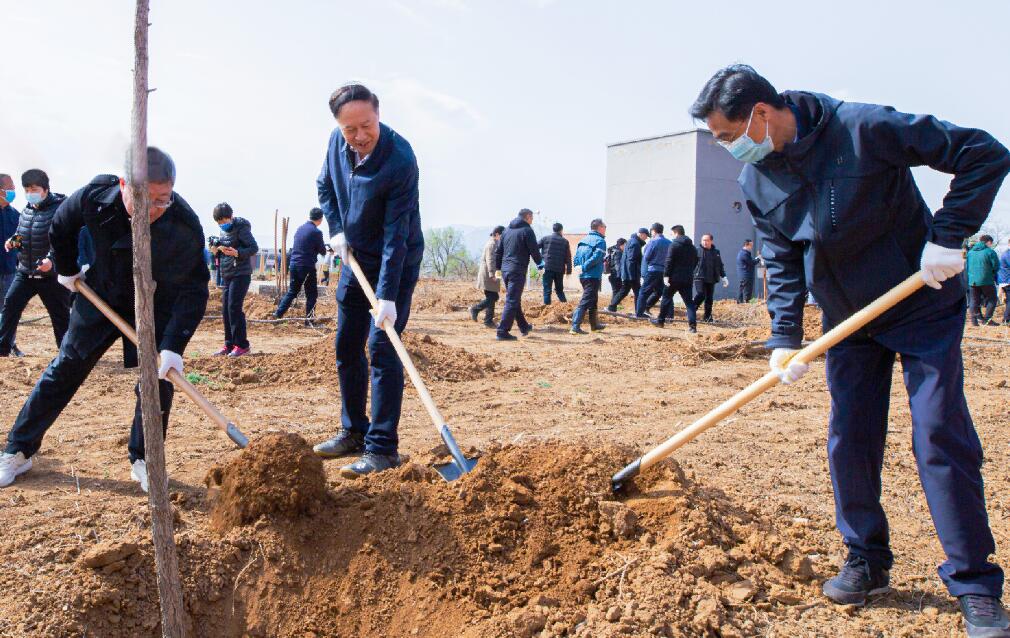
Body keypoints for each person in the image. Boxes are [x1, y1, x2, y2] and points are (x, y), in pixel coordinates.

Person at [692, 64, 1010, 636]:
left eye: (725, 134)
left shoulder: (864, 129)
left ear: (760, 115)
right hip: (849, 321)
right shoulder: (757, 180)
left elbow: (984, 153)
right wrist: (785, 337)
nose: (727, 148)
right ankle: (866, 559)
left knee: (939, 432)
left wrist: (947, 234)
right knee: (850, 438)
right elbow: (782, 260)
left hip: (920, 304)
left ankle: (974, 582)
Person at [0, 148, 209, 493]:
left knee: (157, 380)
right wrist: (67, 269)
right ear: (125, 184)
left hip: (155, 304)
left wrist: (174, 346)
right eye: (145, 199)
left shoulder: (183, 223)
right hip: (102, 294)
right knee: (66, 367)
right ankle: (19, 449)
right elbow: (62, 226)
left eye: (163, 199)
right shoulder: (97, 196)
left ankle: (145, 459)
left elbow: (194, 289)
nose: (154, 210)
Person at [313, 83, 424, 477]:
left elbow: (398, 231)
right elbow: (325, 185)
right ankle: (353, 431)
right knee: (346, 344)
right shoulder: (334, 144)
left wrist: (388, 297)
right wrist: (337, 229)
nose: (359, 136)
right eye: (350, 129)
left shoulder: (400, 159)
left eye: (367, 125)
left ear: (378, 115)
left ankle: (382, 448)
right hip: (353, 257)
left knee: (382, 346)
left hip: (395, 261)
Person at [0, 170, 71, 356]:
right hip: (25, 273)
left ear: (45, 189)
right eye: (27, 189)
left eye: (34, 188)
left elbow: (64, 241)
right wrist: (12, 242)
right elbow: (21, 234)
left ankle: (67, 352)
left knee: (60, 316)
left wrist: (51, 261)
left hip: (50, 276)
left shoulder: (59, 209)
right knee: (10, 307)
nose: (30, 192)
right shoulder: (27, 210)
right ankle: (3, 348)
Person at [210, 202, 258, 356]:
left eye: (224, 221)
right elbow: (221, 253)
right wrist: (216, 250)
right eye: (219, 223)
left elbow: (253, 247)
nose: (222, 225)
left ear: (231, 217)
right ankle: (229, 344)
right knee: (225, 310)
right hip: (227, 273)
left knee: (234, 307)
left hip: (241, 274)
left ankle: (242, 345)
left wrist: (237, 253)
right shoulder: (223, 233)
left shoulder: (241, 227)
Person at [494, 208, 541, 341]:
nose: (532, 221)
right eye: (532, 218)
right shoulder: (527, 230)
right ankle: (502, 331)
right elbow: (534, 249)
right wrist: (540, 264)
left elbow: (499, 251)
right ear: (527, 217)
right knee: (512, 300)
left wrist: (498, 268)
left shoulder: (506, 231)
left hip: (505, 270)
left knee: (514, 299)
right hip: (517, 270)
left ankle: (524, 326)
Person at [275, 207, 327, 323]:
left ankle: (278, 314)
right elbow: (322, 251)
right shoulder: (316, 232)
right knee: (312, 294)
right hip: (307, 265)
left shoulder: (300, 229)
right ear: (320, 219)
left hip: (294, 264)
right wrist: (326, 249)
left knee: (292, 291)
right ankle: (309, 320)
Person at [654, 225, 699, 331]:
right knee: (689, 303)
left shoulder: (674, 245)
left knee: (666, 298)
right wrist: (689, 271)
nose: (672, 236)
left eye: (672, 234)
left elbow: (669, 261)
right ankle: (692, 326)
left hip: (673, 278)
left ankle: (660, 321)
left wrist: (666, 275)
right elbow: (696, 261)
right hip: (687, 279)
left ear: (676, 233)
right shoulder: (692, 248)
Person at [569, 219, 607, 335]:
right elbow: (597, 257)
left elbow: (576, 257)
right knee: (586, 300)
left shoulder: (583, 240)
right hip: (593, 275)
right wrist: (584, 267)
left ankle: (594, 325)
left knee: (593, 299)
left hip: (583, 275)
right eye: (605, 227)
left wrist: (578, 267)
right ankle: (575, 326)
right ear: (600, 227)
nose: (605, 229)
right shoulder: (600, 241)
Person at [0, 174, 23, 357]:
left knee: (9, 310)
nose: (13, 191)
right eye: (10, 187)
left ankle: (9, 343)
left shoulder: (15, 215)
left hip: (9, 271)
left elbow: (19, 240)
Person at [470, 225, 504, 328]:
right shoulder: (491, 244)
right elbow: (490, 260)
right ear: (497, 234)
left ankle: (488, 321)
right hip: (488, 275)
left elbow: (498, 262)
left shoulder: (496, 243)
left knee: (492, 297)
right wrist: (492, 274)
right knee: (493, 297)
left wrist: (498, 276)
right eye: (503, 235)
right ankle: (475, 309)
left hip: (494, 274)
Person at [635, 223, 671, 318]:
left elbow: (646, 256)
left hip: (653, 270)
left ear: (653, 231)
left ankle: (639, 313)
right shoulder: (669, 243)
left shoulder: (653, 242)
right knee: (665, 293)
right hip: (664, 271)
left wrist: (644, 272)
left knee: (643, 292)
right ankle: (669, 315)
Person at [692, 234, 728, 322]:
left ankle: (707, 317)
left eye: (707, 240)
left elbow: (719, 265)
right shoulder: (697, 251)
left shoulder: (716, 252)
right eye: (703, 240)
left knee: (709, 298)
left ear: (711, 241)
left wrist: (723, 277)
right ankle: (691, 310)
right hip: (699, 276)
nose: (704, 242)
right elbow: (691, 264)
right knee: (701, 294)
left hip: (711, 277)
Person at [966, 235, 1000, 326]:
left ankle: (974, 321)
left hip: (972, 280)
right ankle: (987, 320)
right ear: (988, 242)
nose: (991, 245)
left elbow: (967, 267)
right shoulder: (990, 252)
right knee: (992, 299)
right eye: (991, 243)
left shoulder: (970, 252)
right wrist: (992, 274)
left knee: (973, 300)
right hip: (986, 280)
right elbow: (996, 266)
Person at [537, 222, 571, 304]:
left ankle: (547, 308)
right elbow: (568, 257)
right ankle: (565, 307)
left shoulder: (545, 238)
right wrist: (569, 271)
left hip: (547, 268)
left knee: (547, 290)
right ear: (561, 230)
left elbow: (534, 247)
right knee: (559, 290)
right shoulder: (565, 242)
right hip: (559, 270)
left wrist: (540, 262)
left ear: (553, 229)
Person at [736, 239, 760, 303]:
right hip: (746, 275)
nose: (752, 247)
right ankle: (744, 302)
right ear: (746, 245)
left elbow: (750, 261)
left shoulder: (743, 253)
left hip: (744, 274)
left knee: (743, 289)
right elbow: (751, 262)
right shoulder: (744, 254)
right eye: (751, 245)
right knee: (746, 290)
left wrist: (756, 259)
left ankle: (741, 302)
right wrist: (758, 259)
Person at [998, 238, 1010, 325]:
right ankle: (1006, 319)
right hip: (1007, 280)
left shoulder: (1006, 253)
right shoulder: (1008, 254)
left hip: (1005, 280)